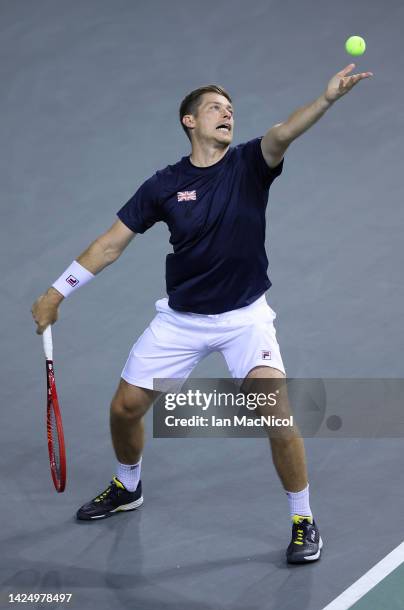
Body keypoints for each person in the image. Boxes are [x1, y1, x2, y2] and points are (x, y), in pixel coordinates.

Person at [31, 63, 372, 564]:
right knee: (124, 408)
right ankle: (129, 486)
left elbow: (285, 131)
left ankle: (303, 519)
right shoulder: (163, 185)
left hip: (244, 318)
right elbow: (110, 245)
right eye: (215, 107)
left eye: (230, 109)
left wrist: (326, 101)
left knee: (275, 412)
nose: (226, 113)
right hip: (181, 320)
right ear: (189, 121)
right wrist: (56, 292)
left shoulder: (251, 163)